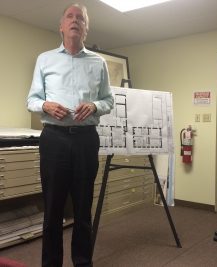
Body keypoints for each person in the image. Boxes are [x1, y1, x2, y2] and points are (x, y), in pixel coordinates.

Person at [27, 3, 114, 267]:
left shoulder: (98, 63)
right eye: (70, 16)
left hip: (86, 140)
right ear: (61, 26)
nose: (75, 20)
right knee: (52, 209)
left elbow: (108, 100)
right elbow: (31, 99)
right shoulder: (45, 59)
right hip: (54, 139)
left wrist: (95, 106)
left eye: (81, 18)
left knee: (83, 208)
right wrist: (45, 105)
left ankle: (82, 262)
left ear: (86, 29)